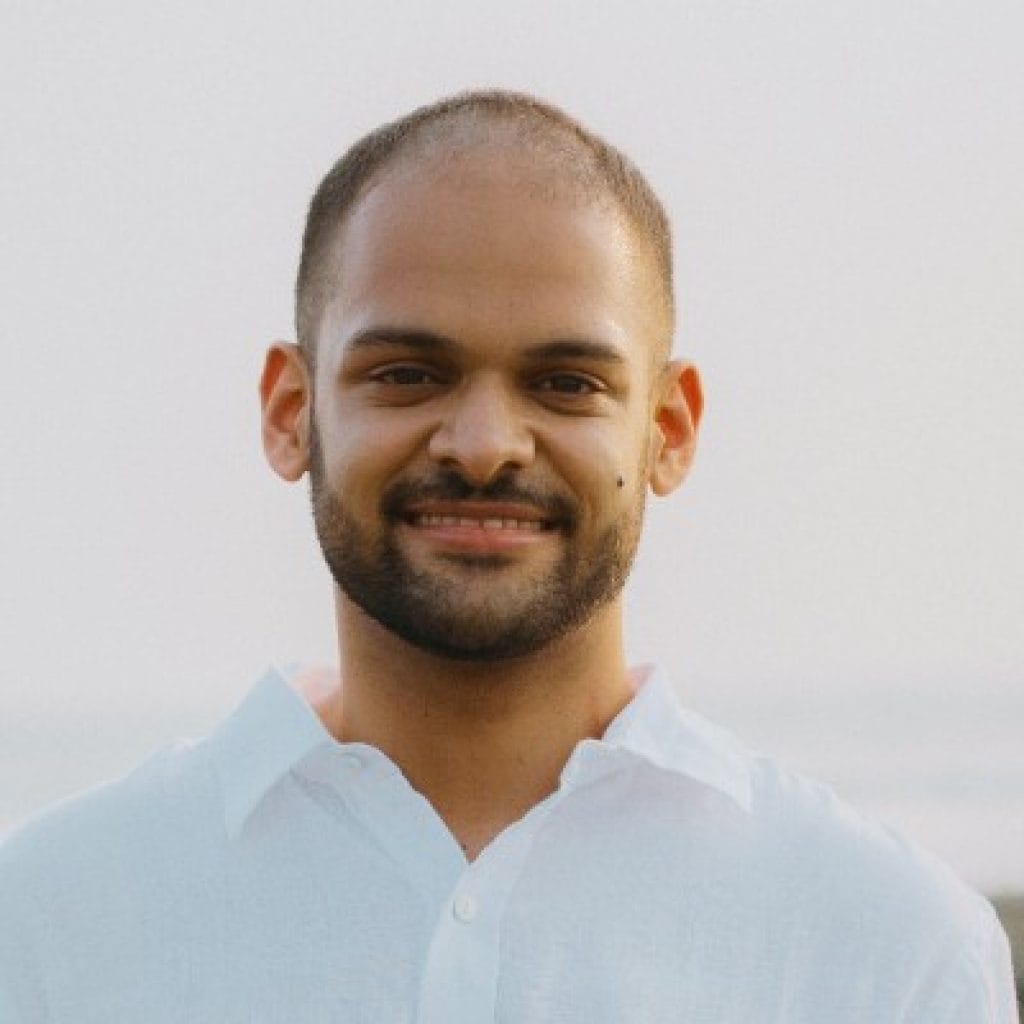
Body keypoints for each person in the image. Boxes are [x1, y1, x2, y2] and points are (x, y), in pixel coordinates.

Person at [0, 89, 1016, 1022]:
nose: (483, 444)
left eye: (566, 383)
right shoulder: (50, 926)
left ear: (667, 429)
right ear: (290, 410)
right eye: (407, 373)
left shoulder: (891, 954)